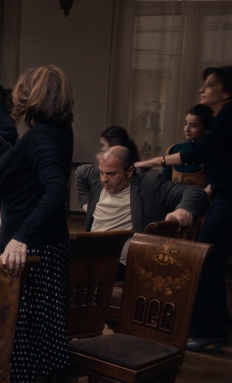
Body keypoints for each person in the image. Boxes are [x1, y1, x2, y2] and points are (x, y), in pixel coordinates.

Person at [0, 65, 73, 381]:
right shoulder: (58, 132)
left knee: (23, 344)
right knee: (38, 342)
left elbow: (55, 189)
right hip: (48, 246)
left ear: (30, 96)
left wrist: (22, 237)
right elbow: (23, 163)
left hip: (32, 254)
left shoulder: (41, 136)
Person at [136, 66, 232, 352]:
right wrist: (212, 188)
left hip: (228, 202)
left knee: (205, 262)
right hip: (224, 197)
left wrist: (154, 161)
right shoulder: (223, 118)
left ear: (226, 92)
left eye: (210, 85)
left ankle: (209, 331)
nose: (203, 89)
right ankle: (218, 325)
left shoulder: (227, 117)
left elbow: (200, 152)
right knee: (211, 262)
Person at [80, 146, 209, 278]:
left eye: (111, 174)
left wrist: (183, 209)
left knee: (81, 271)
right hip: (90, 254)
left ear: (130, 171)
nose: (104, 179)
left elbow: (196, 193)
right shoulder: (100, 178)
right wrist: (85, 203)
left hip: (122, 263)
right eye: (101, 172)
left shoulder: (149, 184)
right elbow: (80, 172)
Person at [75, 125, 140, 210]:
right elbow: (80, 172)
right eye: (102, 173)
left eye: (103, 145)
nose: (102, 149)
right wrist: (88, 206)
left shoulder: (138, 175)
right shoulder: (98, 170)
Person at [162, 104, 214, 187]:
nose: (187, 129)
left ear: (206, 128)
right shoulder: (174, 149)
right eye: (186, 124)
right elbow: (164, 181)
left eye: (193, 126)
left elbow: (214, 184)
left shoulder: (211, 152)